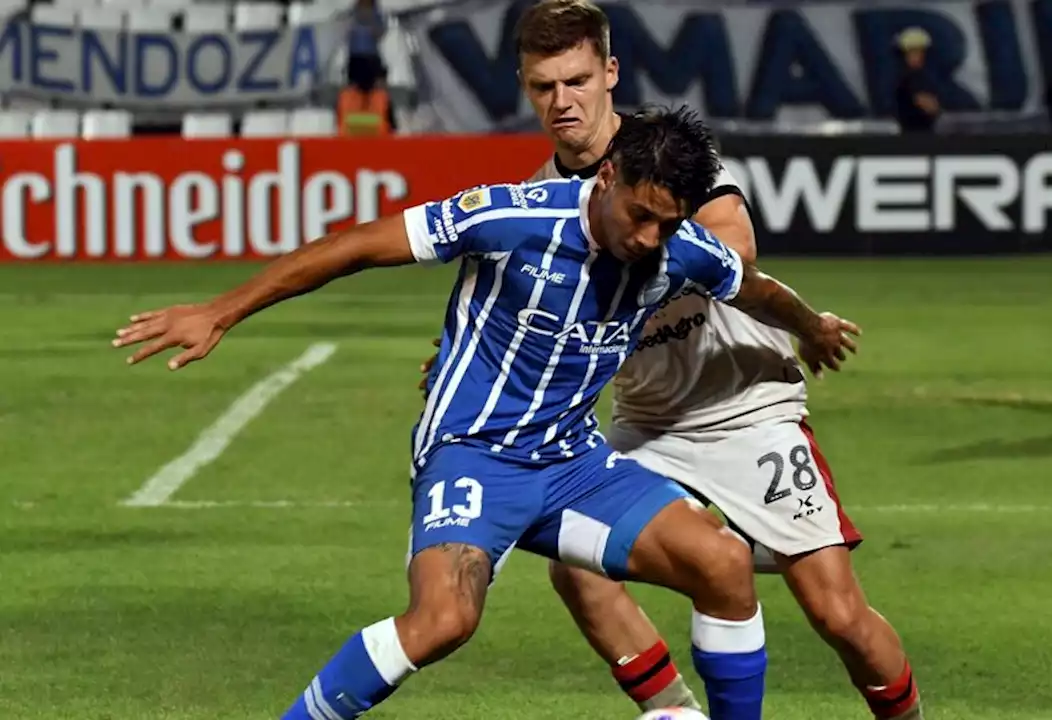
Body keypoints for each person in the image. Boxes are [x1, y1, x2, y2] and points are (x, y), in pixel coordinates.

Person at [111, 105, 861, 720]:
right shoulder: (510, 216)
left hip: (573, 462)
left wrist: (812, 325)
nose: (647, 240)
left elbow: (755, 288)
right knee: (444, 622)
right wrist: (223, 310)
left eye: (666, 224)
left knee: (724, 565)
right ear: (607, 178)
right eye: (639, 216)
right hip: (471, 452)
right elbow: (352, 248)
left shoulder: (681, 251)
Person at [420, 2, 925, 718]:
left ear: (610, 74)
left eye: (578, 80)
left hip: (746, 405)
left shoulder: (670, 158)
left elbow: (734, 245)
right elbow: (512, 308)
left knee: (838, 615)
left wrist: (619, 283)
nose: (563, 102)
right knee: (578, 572)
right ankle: (675, 711)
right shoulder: (542, 197)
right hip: (648, 420)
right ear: (527, 87)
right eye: (544, 87)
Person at [893, 27, 940, 134]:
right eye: (913, 52)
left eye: (921, 52)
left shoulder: (921, 76)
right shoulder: (911, 78)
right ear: (904, 55)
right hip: (915, 137)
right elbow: (929, 106)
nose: (919, 56)